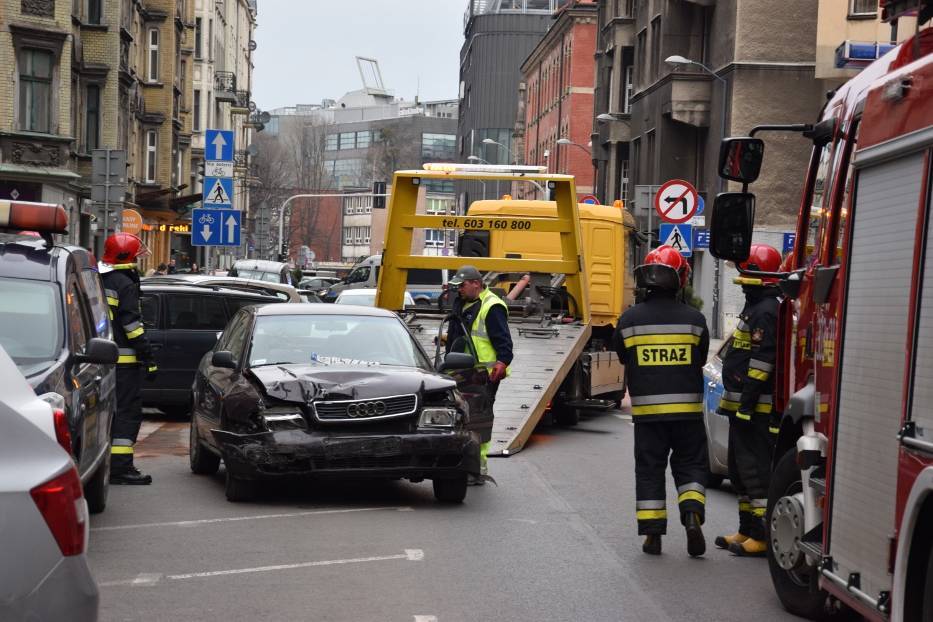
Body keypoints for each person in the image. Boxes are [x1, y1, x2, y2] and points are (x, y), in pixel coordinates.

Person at [614, 245, 710, 557]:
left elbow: (623, 356)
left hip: (648, 416)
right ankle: (692, 515)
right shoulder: (695, 321)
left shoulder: (629, 321)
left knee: (650, 470)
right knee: (691, 465)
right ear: (680, 278)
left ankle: (653, 536)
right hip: (688, 416)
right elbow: (702, 357)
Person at [715, 243, 782, 557]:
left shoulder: (767, 310)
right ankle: (745, 529)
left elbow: (763, 363)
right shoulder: (756, 306)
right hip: (741, 405)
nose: (741, 281)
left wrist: (746, 405)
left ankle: (762, 536)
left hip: (755, 408)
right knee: (740, 471)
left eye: (746, 272)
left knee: (755, 471)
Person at [445, 265, 513, 485]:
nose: (459, 290)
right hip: (462, 370)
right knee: (462, 419)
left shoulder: (491, 306)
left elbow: (503, 340)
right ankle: (464, 463)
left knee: (478, 421)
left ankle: (477, 469)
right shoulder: (466, 304)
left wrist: (502, 362)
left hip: (483, 374)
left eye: (462, 285)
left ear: (476, 283)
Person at [99, 233, 158, 485]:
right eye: (135, 254)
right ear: (128, 256)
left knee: (108, 412)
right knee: (127, 412)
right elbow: (132, 325)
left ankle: (108, 464)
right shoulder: (126, 284)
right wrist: (147, 355)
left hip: (101, 358)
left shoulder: (102, 279)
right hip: (124, 364)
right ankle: (121, 468)